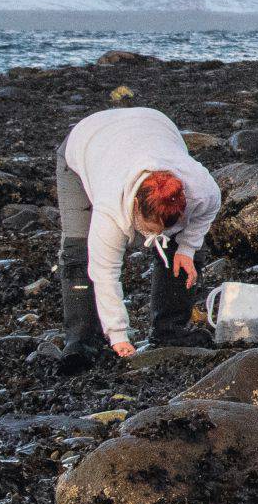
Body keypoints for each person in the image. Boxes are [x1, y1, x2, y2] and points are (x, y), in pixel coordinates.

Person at [58, 105, 221, 369]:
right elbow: (106, 272)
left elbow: (208, 211)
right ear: (135, 206)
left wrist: (187, 249)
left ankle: (169, 330)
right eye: (150, 228)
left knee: (182, 248)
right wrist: (118, 335)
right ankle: (81, 342)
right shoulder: (110, 208)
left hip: (154, 123)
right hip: (86, 141)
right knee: (79, 253)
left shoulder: (201, 190)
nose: (156, 235)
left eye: (165, 228)